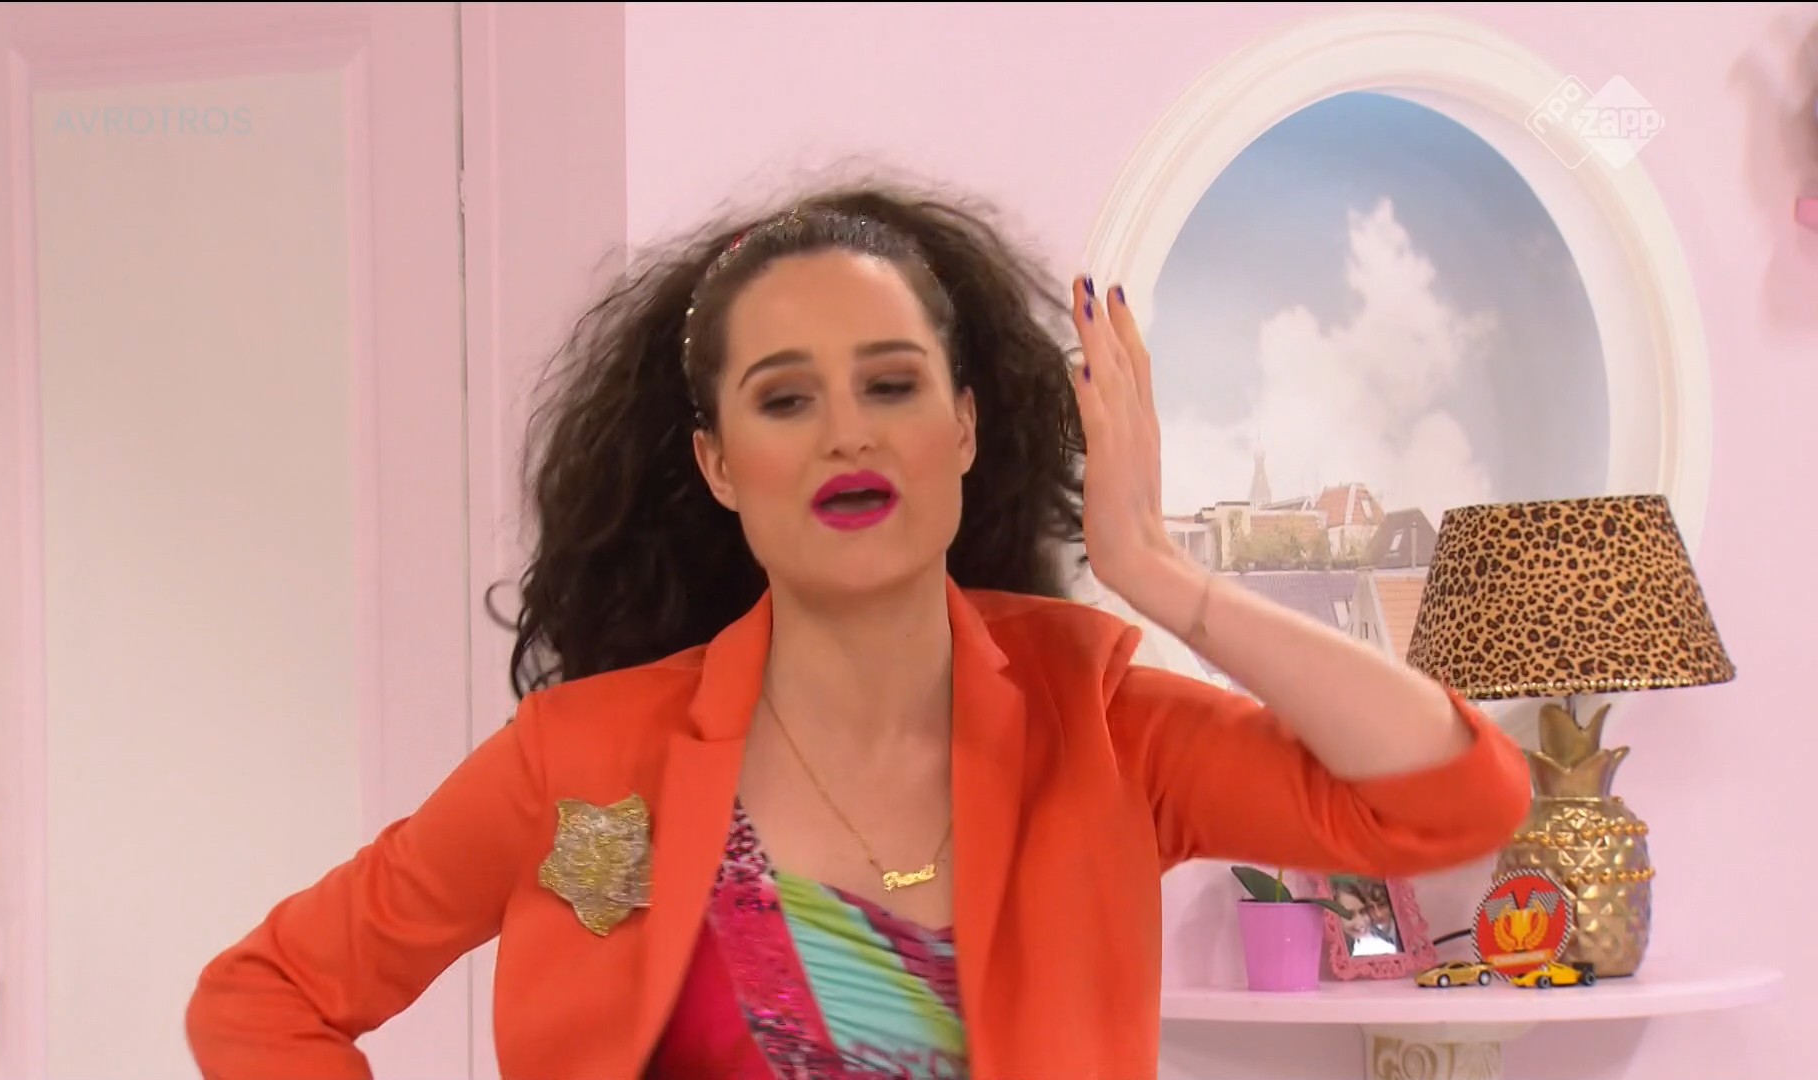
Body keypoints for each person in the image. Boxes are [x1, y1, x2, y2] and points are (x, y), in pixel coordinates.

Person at [183, 182, 1532, 1079]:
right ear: (720, 465)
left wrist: (1162, 575)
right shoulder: (579, 758)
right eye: (786, 400)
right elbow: (264, 997)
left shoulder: (1104, 726)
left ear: (965, 428)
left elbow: (1453, 802)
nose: (846, 432)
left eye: (890, 385)